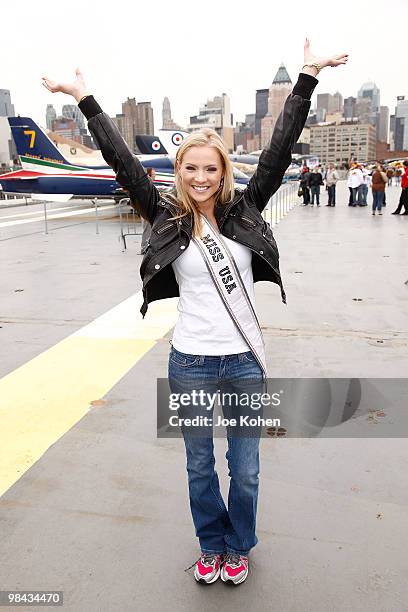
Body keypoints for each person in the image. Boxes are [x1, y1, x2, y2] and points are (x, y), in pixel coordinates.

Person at [42, 40, 348, 586]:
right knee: (199, 466)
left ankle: (239, 544)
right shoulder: (163, 215)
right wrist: (84, 97)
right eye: (191, 169)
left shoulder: (244, 208)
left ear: (222, 171)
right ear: (179, 172)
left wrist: (306, 76)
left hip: (243, 363)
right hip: (190, 363)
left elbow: (278, 151)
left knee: (247, 471)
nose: (201, 177)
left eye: (210, 168)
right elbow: (122, 161)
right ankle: (211, 545)